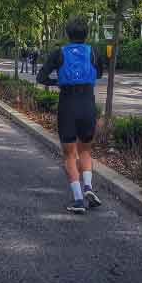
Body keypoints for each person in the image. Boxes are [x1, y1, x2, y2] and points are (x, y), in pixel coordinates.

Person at [37, 17, 104, 214]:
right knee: (85, 150)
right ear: (86, 35)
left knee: (69, 154)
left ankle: (77, 199)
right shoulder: (93, 52)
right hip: (87, 104)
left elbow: (41, 77)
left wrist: (56, 83)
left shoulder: (59, 53)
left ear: (67, 34)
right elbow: (99, 74)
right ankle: (89, 188)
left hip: (67, 104)